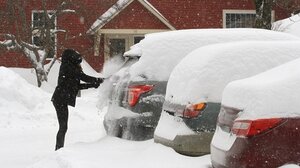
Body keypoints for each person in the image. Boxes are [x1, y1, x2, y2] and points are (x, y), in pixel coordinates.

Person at [51, 49, 103, 150]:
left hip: (61, 99)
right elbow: (83, 77)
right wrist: (98, 80)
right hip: (60, 99)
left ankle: (59, 148)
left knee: (63, 127)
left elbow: (76, 86)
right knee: (63, 127)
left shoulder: (71, 67)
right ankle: (58, 149)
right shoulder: (68, 67)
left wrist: (92, 85)